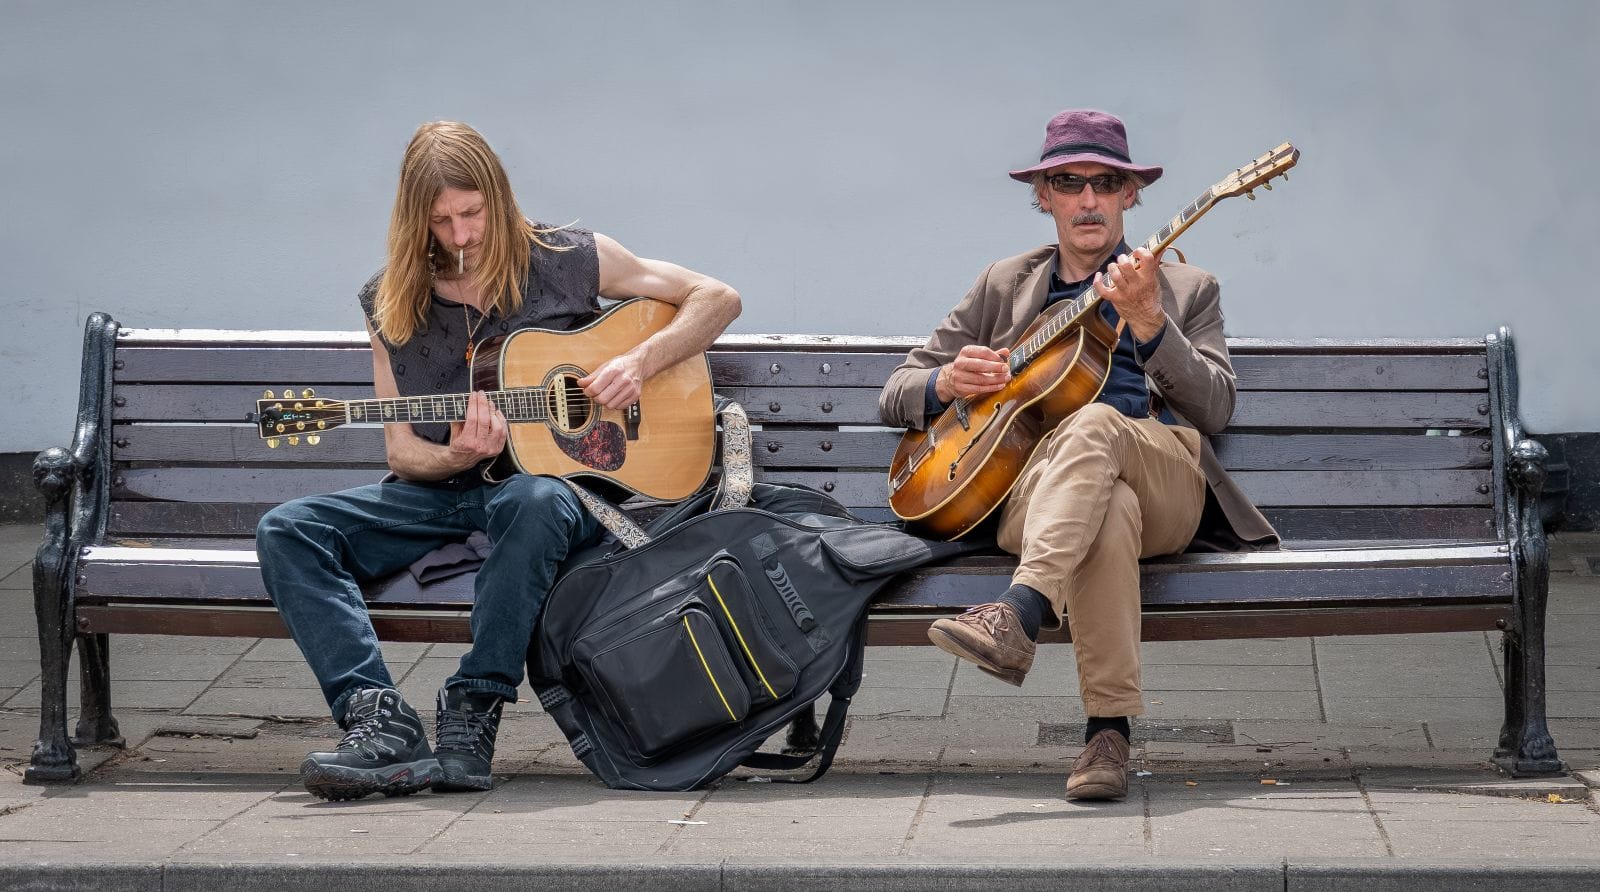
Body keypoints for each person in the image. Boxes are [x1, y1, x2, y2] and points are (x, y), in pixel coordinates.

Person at [256, 121, 741, 801]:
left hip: (560, 499)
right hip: (446, 492)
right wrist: (451, 453)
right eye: (441, 221)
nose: (460, 236)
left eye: (472, 213)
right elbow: (401, 451)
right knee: (288, 529)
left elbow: (717, 298)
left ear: (496, 194)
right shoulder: (390, 301)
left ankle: (474, 708)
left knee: (530, 497)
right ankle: (377, 719)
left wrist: (638, 360)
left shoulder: (570, 257)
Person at [878, 109, 1278, 801]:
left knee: (1097, 426)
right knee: (1105, 507)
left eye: (1105, 182)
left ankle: (1019, 610)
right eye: (1069, 182)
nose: (1088, 199)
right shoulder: (1004, 285)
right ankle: (1108, 738)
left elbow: (1214, 409)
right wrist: (946, 382)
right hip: (1034, 498)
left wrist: (1152, 322)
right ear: (1044, 196)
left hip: (1166, 481)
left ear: (1131, 195)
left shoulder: (1189, 289)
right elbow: (895, 392)